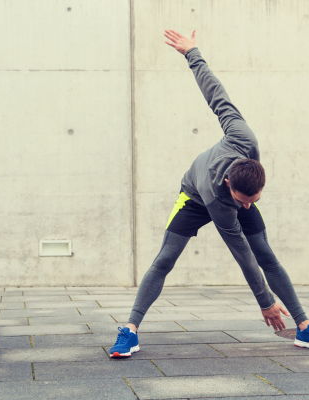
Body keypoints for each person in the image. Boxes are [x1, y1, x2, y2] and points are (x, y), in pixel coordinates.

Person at [110, 30, 309, 357]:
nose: (248, 207)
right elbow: (241, 255)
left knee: (267, 254)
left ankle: (303, 325)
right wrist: (266, 302)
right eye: (245, 202)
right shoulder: (220, 200)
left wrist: (193, 53)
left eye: (254, 200)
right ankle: (130, 330)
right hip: (194, 197)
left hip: (226, 190)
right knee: (164, 260)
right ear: (231, 186)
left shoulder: (243, 138)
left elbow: (217, 95)